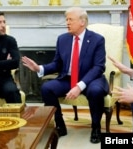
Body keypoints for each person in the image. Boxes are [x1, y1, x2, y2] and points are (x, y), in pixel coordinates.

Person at [22, 7, 109, 143]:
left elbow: (98, 67)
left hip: (91, 79)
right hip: (68, 79)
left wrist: (79, 86)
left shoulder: (97, 40)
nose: (67, 23)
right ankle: (59, 123)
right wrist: (39, 68)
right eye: (66, 19)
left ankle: (96, 127)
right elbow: (57, 64)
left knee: (96, 91)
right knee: (47, 88)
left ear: (82, 22)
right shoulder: (62, 39)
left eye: (70, 20)